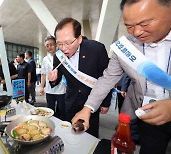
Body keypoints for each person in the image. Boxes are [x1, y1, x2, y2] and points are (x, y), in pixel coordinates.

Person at [72, 0, 171, 153]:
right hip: (147, 116)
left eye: (144, 24)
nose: (136, 32)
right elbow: (108, 78)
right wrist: (87, 108)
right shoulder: (126, 47)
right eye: (129, 26)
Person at [48, 18, 111, 138]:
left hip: (92, 102)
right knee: (70, 135)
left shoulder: (96, 49)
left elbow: (106, 78)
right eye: (59, 43)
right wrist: (53, 79)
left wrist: (105, 103)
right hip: (71, 101)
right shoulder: (58, 56)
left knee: (90, 137)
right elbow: (57, 77)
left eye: (68, 43)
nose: (63, 48)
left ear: (79, 38)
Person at [40, 35, 66, 120]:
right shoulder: (45, 59)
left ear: (56, 45)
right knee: (50, 110)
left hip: (61, 88)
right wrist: (41, 87)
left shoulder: (62, 56)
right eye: (47, 45)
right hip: (49, 89)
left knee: (62, 110)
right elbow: (43, 74)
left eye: (51, 44)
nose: (49, 47)